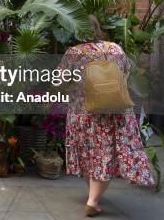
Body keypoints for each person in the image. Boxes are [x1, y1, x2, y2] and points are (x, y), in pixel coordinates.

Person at [60, 15, 155, 217]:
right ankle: (93, 197)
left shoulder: (74, 53)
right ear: (97, 28)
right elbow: (126, 73)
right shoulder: (115, 49)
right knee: (105, 156)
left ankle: (92, 201)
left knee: (90, 155)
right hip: (115, 111)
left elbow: (61, 80)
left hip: (85, 114)